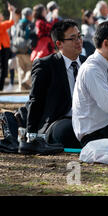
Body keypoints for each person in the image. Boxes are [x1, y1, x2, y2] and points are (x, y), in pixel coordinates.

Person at [18, 20, 86, 154]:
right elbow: (36, 100)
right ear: (59, 44)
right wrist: (32, 134)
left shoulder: (88, 63)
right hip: (59, 122)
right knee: (69, 131)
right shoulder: (46, 65)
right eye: (72, 38)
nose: (78, 41)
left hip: (87, 119)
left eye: (79, 36)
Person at [10, 7, 35, 91]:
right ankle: (26, 81)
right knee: (30, 67)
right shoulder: (30, 24)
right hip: (26, 50)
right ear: (29, 15)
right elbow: (31, 36)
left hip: (16, 49)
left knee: (20, 69)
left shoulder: (17, 23)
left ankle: (21, 87)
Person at [0, 2, 18, 91]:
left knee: (3, 69)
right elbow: (12, 22)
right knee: (3, 69)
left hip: (3, 48)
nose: (1, 15)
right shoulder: (1, 25)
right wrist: (12, 11)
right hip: (2, 49)